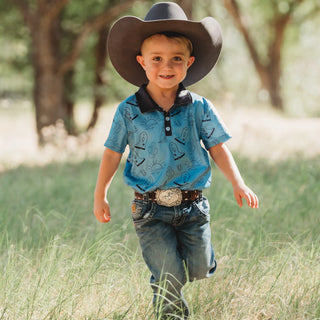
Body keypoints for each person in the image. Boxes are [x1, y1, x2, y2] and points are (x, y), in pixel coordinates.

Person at [93, 2, 259, 319]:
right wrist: (100, 193)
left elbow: (218, 147)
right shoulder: (128, 110)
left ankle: (200, 263)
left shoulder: (199, 107)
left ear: (189, 63)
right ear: (142, 62)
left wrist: (238, 182)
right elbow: (113, 153)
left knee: (197, 270)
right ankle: (171, 314)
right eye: (156, 59)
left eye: (176, 59)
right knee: (168, 275)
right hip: (149, 208)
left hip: (193, 206)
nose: (166, 66)